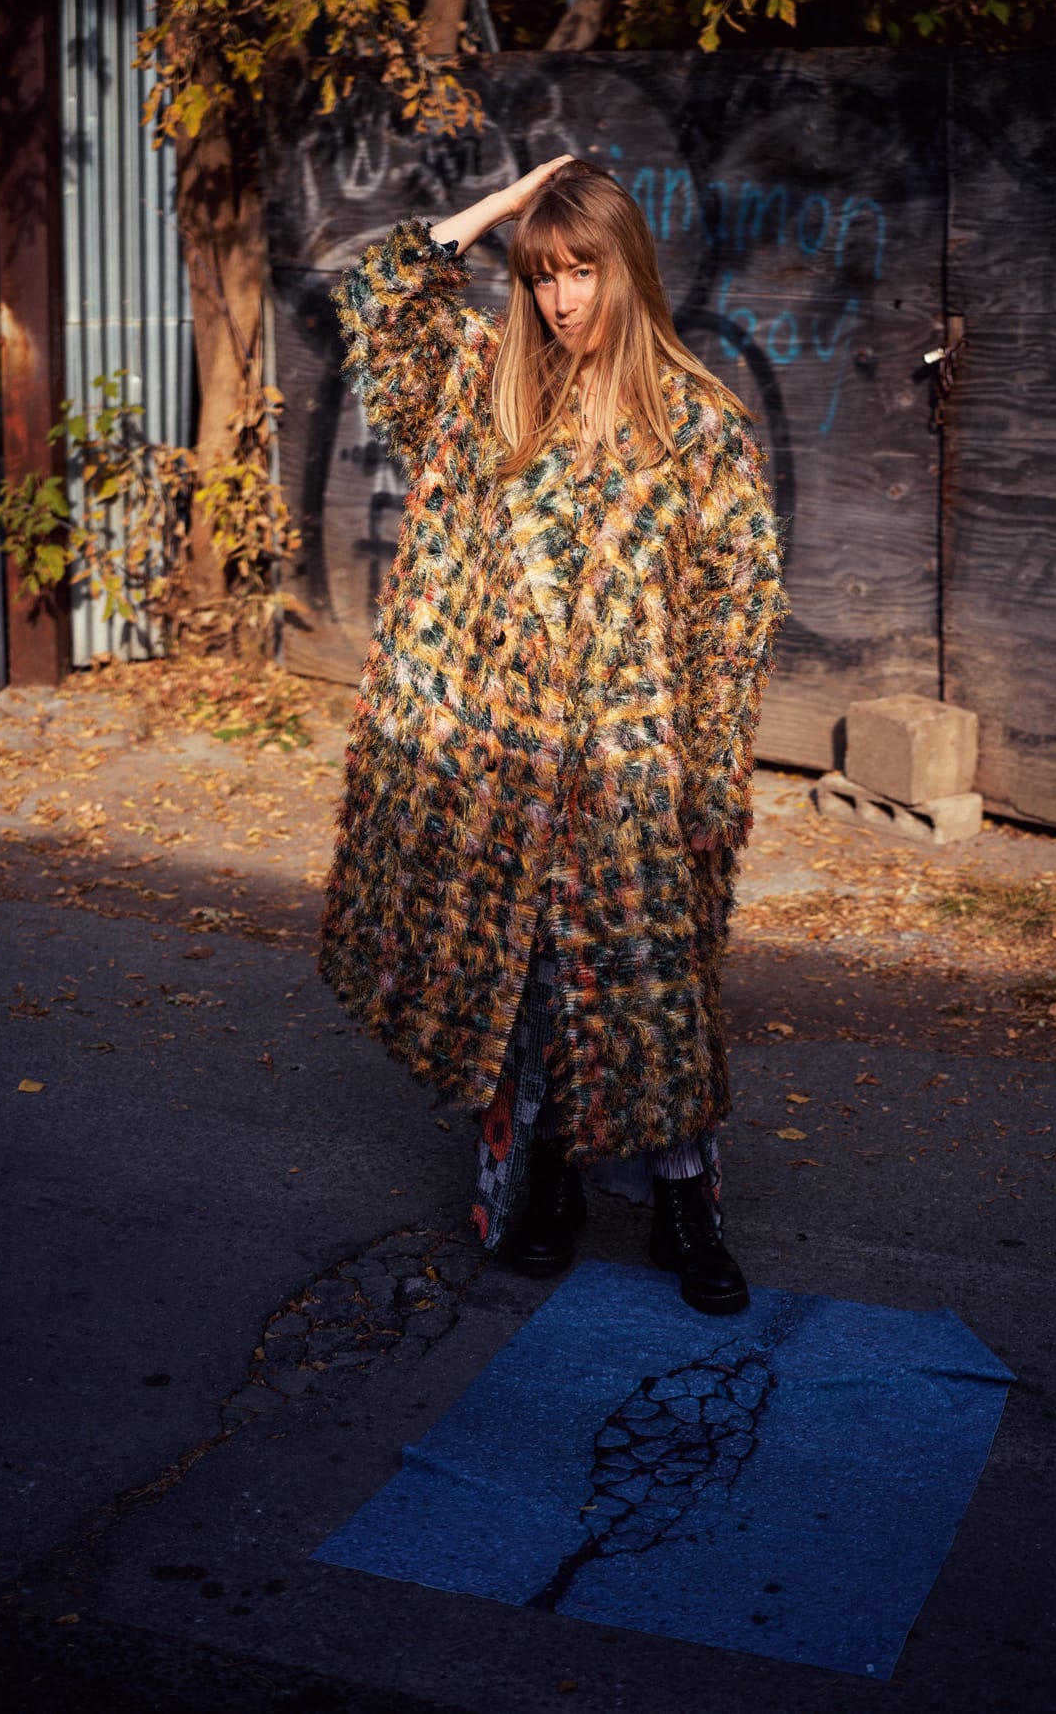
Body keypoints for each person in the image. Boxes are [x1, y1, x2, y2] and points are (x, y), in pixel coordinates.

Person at [319, 155, 788, 1316]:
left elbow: (734, 619)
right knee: (534, 989)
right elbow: (381, 298)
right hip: (509, 759)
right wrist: (488, 214)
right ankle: (553, 1190)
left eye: (584, 271)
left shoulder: (698, 424)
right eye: (541, 278)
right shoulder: (486, 393)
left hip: (636, 760)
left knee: (655, 989)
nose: (564, 300)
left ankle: (688, 1204)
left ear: (629, 269)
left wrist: (711, 780)